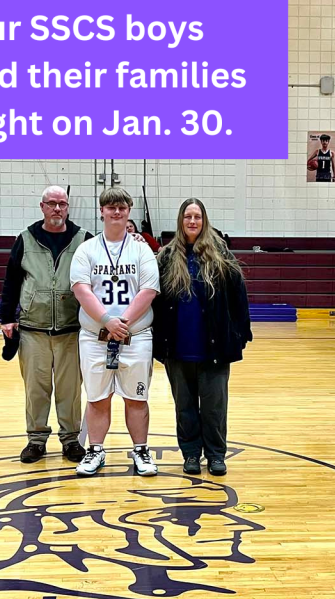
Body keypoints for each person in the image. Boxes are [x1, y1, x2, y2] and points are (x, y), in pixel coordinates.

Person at [153, 198, 251, 476]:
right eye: (188, 217)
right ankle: (191, 454)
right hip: (178, 347)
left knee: (214, 408)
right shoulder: (167, 256)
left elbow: (238, 296)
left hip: (214, 347)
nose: (192, 221)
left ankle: (216, 455)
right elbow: (155, 301)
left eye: (197, 216)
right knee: (184, 408)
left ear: (204, 220)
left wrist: (241, 333)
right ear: (180, 221)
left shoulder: (221, 253)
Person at [70, 187, 161, 477]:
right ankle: (95, 450)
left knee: (137, 397)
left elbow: (149, 289)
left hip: (135, 336)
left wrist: (121, 323)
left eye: (122, 207)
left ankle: (141, 450)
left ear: (129, 211)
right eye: (111, 207)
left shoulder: (140, 248)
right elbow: (81, 289)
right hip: (96, 336)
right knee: (97, 397)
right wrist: (108, 320)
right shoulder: (87, 249)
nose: (116, 211)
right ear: (102, 211)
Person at [0, 186, 91, 464]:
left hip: (71, 330)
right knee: (35, 389)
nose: (57, 209)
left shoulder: (83, 239)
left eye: (62, 204)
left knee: (70, 390)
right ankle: (36, 440)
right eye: (51, 203)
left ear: (67, 207)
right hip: (33, 329)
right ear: (42, 207)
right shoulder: (25, 239)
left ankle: (71, 439)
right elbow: (12, 279)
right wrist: (6, 317)